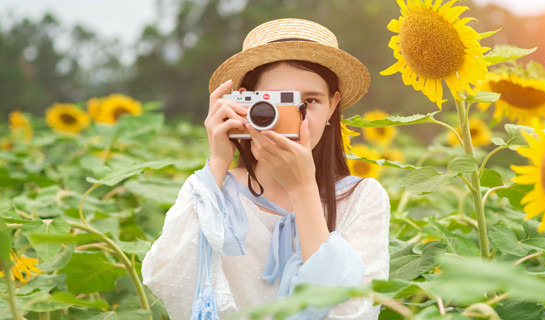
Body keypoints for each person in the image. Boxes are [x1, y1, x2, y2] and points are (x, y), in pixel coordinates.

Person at [141, 18, 390, 320]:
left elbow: (354, 311)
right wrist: (218, 162)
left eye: (309, 101)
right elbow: (166, 279)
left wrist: (304, 190)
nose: (295, 120)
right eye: (276, 103)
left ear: (333, 105)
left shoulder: (361, 198)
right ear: (244, 101)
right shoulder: (211, 193)